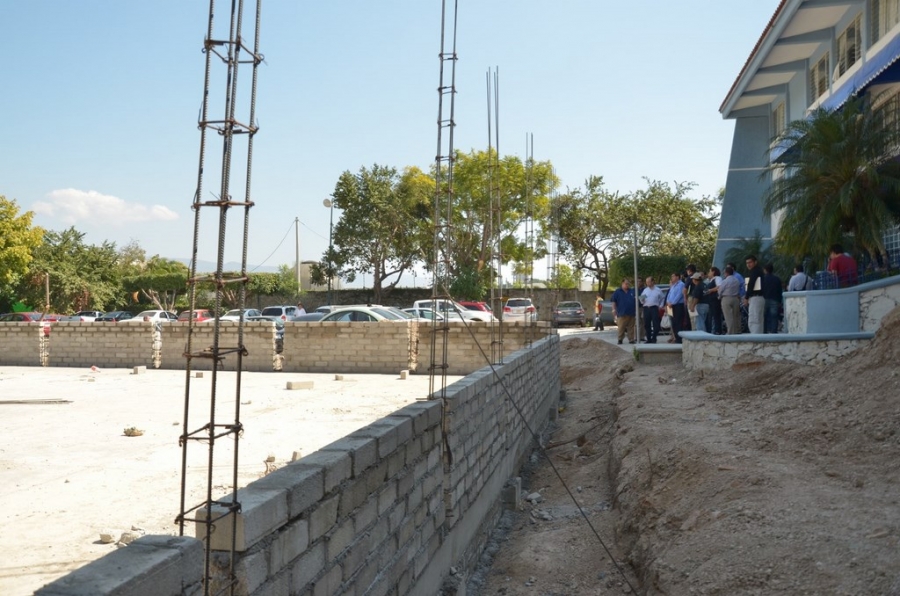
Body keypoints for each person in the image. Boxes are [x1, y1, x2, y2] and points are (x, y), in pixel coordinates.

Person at [744, 255, 765, 334]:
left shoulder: (755, 271)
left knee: (754, 320)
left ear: (755, 262)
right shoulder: (758, 271)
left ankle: (755, 338)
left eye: (750, 262)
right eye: (747, 263)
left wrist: (746, 297)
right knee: (758, 320)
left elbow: (751, 283)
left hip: (756, 297)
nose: (748, 265)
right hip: (758, 298)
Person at [640, 276, 664, 343]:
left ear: (653, 282)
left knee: (656, 324)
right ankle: (649, 339)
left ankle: (654, 337)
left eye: (649, 282)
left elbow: (662, 299)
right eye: (646, 282)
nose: (647, 283)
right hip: (646, 308)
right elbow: (641, 299)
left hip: (654, 308)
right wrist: (641, 300)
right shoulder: (645, 290)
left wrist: (661, 306)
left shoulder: (658, 290)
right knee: (647, 324)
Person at [611, 279, 637, 344]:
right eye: (626, 283)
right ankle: (620, 339)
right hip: (622, 313)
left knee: (631, 327)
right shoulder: (617, 292)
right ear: (622, 284)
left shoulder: (632, 291)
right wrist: (614, 310)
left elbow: (636, 300)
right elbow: (614, 301)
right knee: (621, 327)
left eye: (628, 284)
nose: (627, 285)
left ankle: (631, 339)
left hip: (631, 312)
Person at [719, 266, 742, 335]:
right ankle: (737, 330)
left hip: (726, 298)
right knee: (736, 316)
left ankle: (730, 331)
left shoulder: (725, 281)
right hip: (735, 298)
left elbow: (720, 290)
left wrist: (719, 297)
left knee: (728, 316)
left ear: (726, 273)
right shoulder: (736, 280)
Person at [761, 263, 783, 334]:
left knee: (763, 316)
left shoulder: (762, 279)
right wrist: (780, 301)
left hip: (764, 299)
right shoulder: (777, 279)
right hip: (775, 299)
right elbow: (780, 290)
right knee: (774, 316)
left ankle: (764, 331)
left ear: (765, 270)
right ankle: (774, 332)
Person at [665, 272, 686, 343]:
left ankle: (679, 339)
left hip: (677, 306)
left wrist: (672, 303)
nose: (671, 278)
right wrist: (668, 302)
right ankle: (676, 338)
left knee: (678, 322)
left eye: (673, 276)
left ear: (677, 277)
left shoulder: (681, 284)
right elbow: (669, 294)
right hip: (670, 306)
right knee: (673, 322)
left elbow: (679, 295)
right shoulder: (673, 285)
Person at [706, 266, 724, 334]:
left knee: (716, 315)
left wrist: (711, 290)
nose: (709, 273)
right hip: (711, 300)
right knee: (711, 315)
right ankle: (712, 329)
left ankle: (718, 330)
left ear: (713, 272)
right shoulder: (711, 280)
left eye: (710, 271)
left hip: (715, 299)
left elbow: (719, 286)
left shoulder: (717, 278)